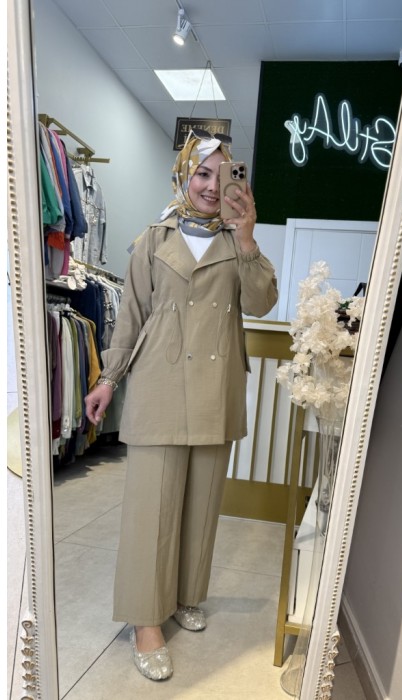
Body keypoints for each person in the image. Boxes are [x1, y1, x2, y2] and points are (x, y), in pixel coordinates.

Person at [84, 129, 278, 681]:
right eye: (202, 173)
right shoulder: (153, 239)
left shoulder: (239, 242)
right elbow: (131, 316)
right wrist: (108, 378)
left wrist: (247, 238)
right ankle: (146, 620)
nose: (212, 187)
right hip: (160, 384)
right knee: (153, 507)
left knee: (201, 503)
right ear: (184, 175)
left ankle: (186, 595)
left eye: (223, 175)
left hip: (216, 389)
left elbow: (262, 303)